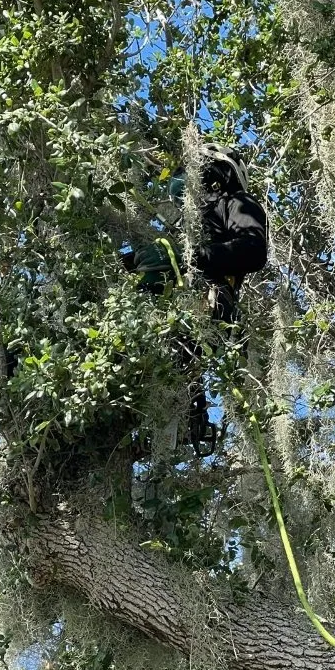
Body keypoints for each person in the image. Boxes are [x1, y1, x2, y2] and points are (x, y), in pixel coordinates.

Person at [125, 143, 268, 452]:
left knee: (183, 350)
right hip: (163, 309)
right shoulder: (184, 221)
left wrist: (195, 255)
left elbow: (253, 250)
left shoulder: (237, 203)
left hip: (207, 299)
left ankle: (184, 413)